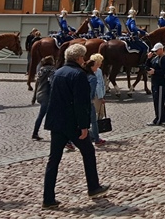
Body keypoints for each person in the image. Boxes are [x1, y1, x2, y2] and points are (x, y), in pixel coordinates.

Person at [42, 43, 110, 209]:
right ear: (79, 58)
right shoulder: (78, 74)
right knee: (88, 152)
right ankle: (93, 187)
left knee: (53, 160)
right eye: (83, 57)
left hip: (56, 122)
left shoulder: (57, 72)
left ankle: (48, 198)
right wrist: (84, 126)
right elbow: (81, 103)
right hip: (72, 123)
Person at [146, 42, 165, 126]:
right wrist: (148, 59)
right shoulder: (156, 58)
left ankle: (158, 119)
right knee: (156, 100)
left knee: (159, 101)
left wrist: (155, 72)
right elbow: (147, 66)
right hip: (155, 81)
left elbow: (164, 71)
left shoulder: (164, 58)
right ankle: (163, 117)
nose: (155, 52)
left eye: (156, 51)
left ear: (161, 50)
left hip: (160, 82)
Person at [31, 56, 56, 140]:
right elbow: (52, 83)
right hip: (47, 95)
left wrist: (34, 97)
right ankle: (36, 133)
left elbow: (37, 84)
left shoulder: (41, 70)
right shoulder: (52, 71)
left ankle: (35, 132)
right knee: (49, 115)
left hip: (40, 94)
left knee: (41, 115)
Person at [85, 54, 107, 147]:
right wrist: (101, 97)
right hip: (96, 96)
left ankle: (93, 134)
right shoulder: (97, 72)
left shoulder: (93, 71)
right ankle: (94, 135)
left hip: (97, 95)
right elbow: (98, 85)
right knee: (97, 116)